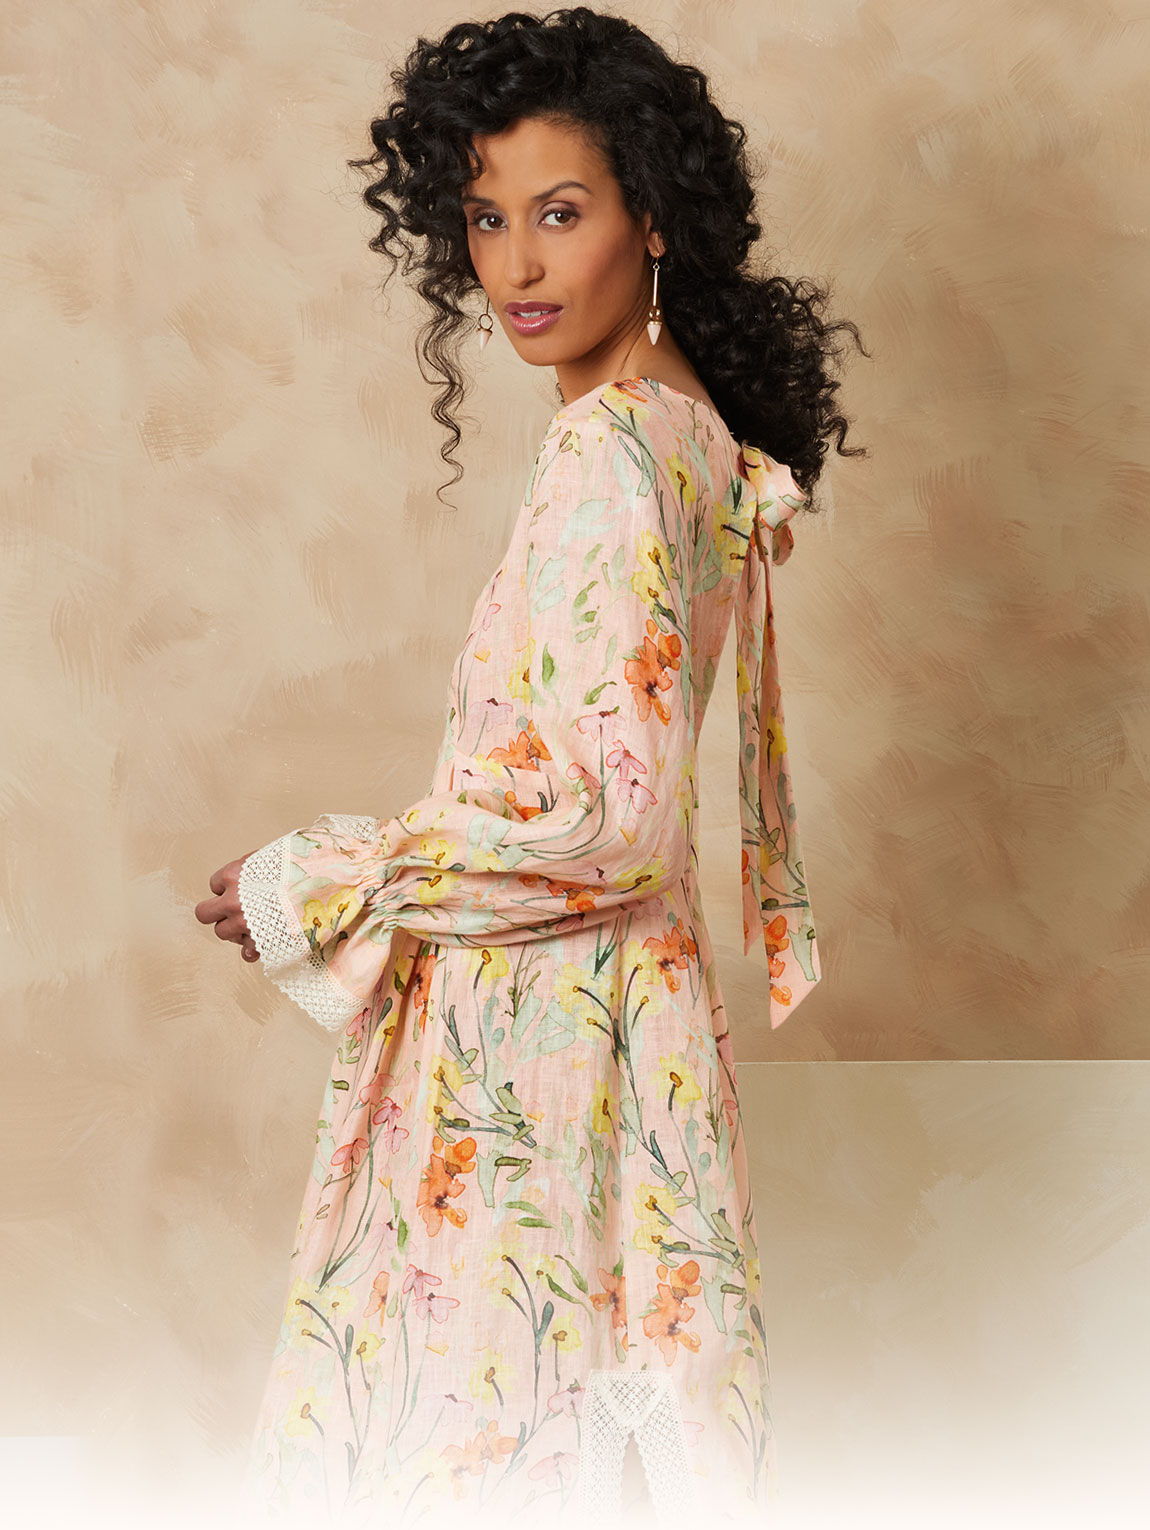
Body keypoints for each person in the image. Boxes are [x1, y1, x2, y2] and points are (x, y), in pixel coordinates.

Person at [195, 9, 867, 1527]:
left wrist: (324, 873)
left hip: (544, 1036)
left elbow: (611, 822)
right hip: (632, 1012)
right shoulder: (699, 436)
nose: (514, 267)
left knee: (492, 1452)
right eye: (486, 220)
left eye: (559, 214)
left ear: (651, 215)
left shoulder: (610, 449)